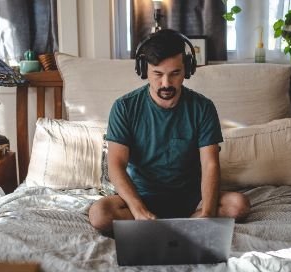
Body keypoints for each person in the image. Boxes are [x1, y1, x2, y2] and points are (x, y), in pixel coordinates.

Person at [89, 29, 250, 234]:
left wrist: (207, 213)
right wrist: (139, 211)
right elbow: (116, 165)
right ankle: (158, 221)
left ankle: (189, 221)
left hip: (192, 198)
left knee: (239, 205)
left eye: (175, 73)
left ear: (187, 70)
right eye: (157, 74)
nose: (166, 83)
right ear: (144, 70)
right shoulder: (124, 107)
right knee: (100, 214)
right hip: (141, 196)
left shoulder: (203, 107)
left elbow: (210, 164)